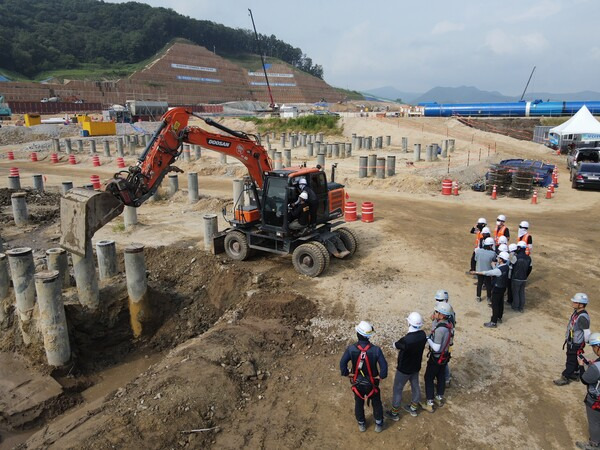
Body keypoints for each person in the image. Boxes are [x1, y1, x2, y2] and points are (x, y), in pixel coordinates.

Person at [340, 321, 388, 432]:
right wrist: (381, 376)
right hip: (372, 383)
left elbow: (342, 364)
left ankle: (361, 423)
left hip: (357, 383)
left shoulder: (351, 349)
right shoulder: (376, 350)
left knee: (359, 402)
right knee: (376, 402)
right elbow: (384, 367)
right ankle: (379, 424)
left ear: (358, 334)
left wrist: (347, 373)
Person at [385, 312, 427, 421]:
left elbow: (395, 345)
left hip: (404, 369)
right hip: (415, 367)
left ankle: (394, 414)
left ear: (409, 323)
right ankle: (413, 408)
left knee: (398, 389)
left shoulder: (406, 340)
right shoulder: (423, 335)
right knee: (415, 386)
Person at [420, 302, 454, 413]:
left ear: (442, 315)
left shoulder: (440, 330)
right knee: (441, 377)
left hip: (436, 358)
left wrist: (428, 339)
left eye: (437, 312)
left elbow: (436, 347)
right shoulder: (449, 324)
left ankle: (430, 403)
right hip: (444, 357)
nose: (435, 313)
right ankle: (439, 398)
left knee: (428, 378)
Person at [555, 293, 591, 386]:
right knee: (574, 359)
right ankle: (574, 374)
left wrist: (585, 342)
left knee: (570, 361)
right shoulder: (577, 312)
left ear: (581, 304)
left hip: (575, 343)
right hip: (572, 341)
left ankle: (565, 377)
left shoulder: (582, 317)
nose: (573, 303)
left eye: (575, 302)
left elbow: (587, 332)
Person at [576, 332, 600, 450]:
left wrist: (581, 366)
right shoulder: (596, 365)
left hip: (596, 400)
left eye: (593, 346)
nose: (593, 349)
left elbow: (585, 379)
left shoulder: (596, 368)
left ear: (597, 347)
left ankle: (595, 444)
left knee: (594, 422)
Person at [476, 251, 510, 328]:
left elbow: (489, 273)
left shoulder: (499, 270)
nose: (497, 258)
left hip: (497, 288)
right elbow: (496, 271)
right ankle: (499, 317)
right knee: (500, 303)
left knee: (495, 305)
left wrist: (477, 272)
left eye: (499, 258)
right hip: (503, 287)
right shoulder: (506, 267)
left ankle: (493, 322)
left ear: (501, 260)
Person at [432, 290, 456, 387]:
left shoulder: (448, 313)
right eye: (437, 299)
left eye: (440, 300)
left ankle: (446, 379)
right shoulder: (441, 309)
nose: (438, 301)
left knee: (443, 358)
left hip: (445, 340)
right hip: (439, 337)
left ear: (446, 300)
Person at [510, 241, 533, 312]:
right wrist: (526, 275)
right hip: (524, 278)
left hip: (516, 278)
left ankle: (515, 307)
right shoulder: (529, 258)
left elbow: (511, 266)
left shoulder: (515, 257)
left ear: (519, 248)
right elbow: (530, 268)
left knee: (516, 292)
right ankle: (521, 307)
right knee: (522, 292)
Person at [474, 237, 496, 303]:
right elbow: (493, 261)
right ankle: (488, 298)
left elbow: (475, 259)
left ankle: (478, 297)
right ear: (490, 245)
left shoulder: (478, 251)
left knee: (479, 284)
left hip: (479, 271)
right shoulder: (493, 253)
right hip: (488, 272)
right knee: (488, 284)